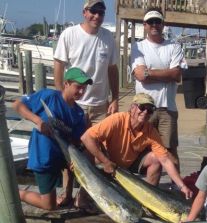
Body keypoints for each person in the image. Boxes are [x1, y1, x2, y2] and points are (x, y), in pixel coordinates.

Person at [53, 0, 119, 206]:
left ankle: (85, 195)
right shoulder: (70, 34)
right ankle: (67, 193)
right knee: (70, 150)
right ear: (84, 12)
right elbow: (58, 64)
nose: (97, 16)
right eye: (93, 11)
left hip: (99, 104)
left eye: (101, 12)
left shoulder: (108, 37)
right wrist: (60, 95)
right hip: (75, 104)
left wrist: (115, 98)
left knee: (92, 151)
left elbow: (113, 69)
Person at [80, 93, 193, 199]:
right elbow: (86, 137)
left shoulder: (151, 131)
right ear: (132, 108)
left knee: (156, 159)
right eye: (142, 107)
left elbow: (165, 160)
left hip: (131, 162)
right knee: (89, 153)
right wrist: (105, 161)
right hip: (107, 159)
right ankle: (83, 198)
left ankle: (149, 199)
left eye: (150, 110)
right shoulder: (117, 119)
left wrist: (182, 186)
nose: (145, 112)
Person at [13, 68, 92, 211]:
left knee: (78, 161)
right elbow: (17, 104)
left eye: (84, 88)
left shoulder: (79, 113)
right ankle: (16, 193)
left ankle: (67, 196)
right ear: (66, 83)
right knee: (49, 206)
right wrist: (38, 121)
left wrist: (78, 159)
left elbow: (77, 142)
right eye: (78, 87)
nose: (81, 92)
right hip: (44, 157)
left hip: (61, 156)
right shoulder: (49, 96)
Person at [130, 7, 186, 171]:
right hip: (142, 109)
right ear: (145, 25)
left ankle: (176, 188)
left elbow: (176, 74)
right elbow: (140, 75)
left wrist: (150, 73)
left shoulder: (174, 46)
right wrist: (165, 73)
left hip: (167, 108)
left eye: (157, 21)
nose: (154, 25)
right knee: (139, 148)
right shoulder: (138, 47)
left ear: (163, 24)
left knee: (169, 150)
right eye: (150, 22)